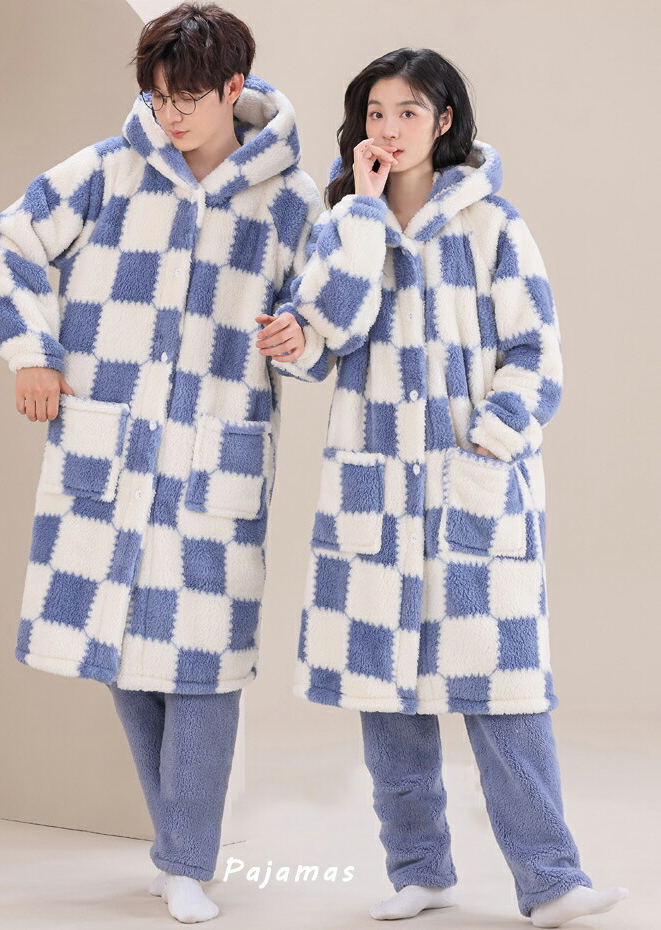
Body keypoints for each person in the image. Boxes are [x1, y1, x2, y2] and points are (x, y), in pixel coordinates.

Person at [256, 47, 628, 929]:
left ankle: (551, 881)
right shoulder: (343, 223)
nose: (389, 129)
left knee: (503, 694)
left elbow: (537, 351)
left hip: (473, 486)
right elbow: (322, 343)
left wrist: (491, 443)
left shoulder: (494, 226)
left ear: (444, 120)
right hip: (374, 493)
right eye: (375, 113)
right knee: (386, 700)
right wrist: (355, 224)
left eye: (408, 113)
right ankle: (419, 871)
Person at [0, 2, 323, 923]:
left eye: (188, 99)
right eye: (159, 97)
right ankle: (182, 847)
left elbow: (327, 323)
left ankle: (186, 861)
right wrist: (32, 353)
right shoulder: (109, 169)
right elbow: (6, 242)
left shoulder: (291, 199)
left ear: (233, 89)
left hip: (216, 461)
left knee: (204, 669)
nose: (170, 116)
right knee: (122, 652)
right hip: (112, 456)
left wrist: (302, 338)